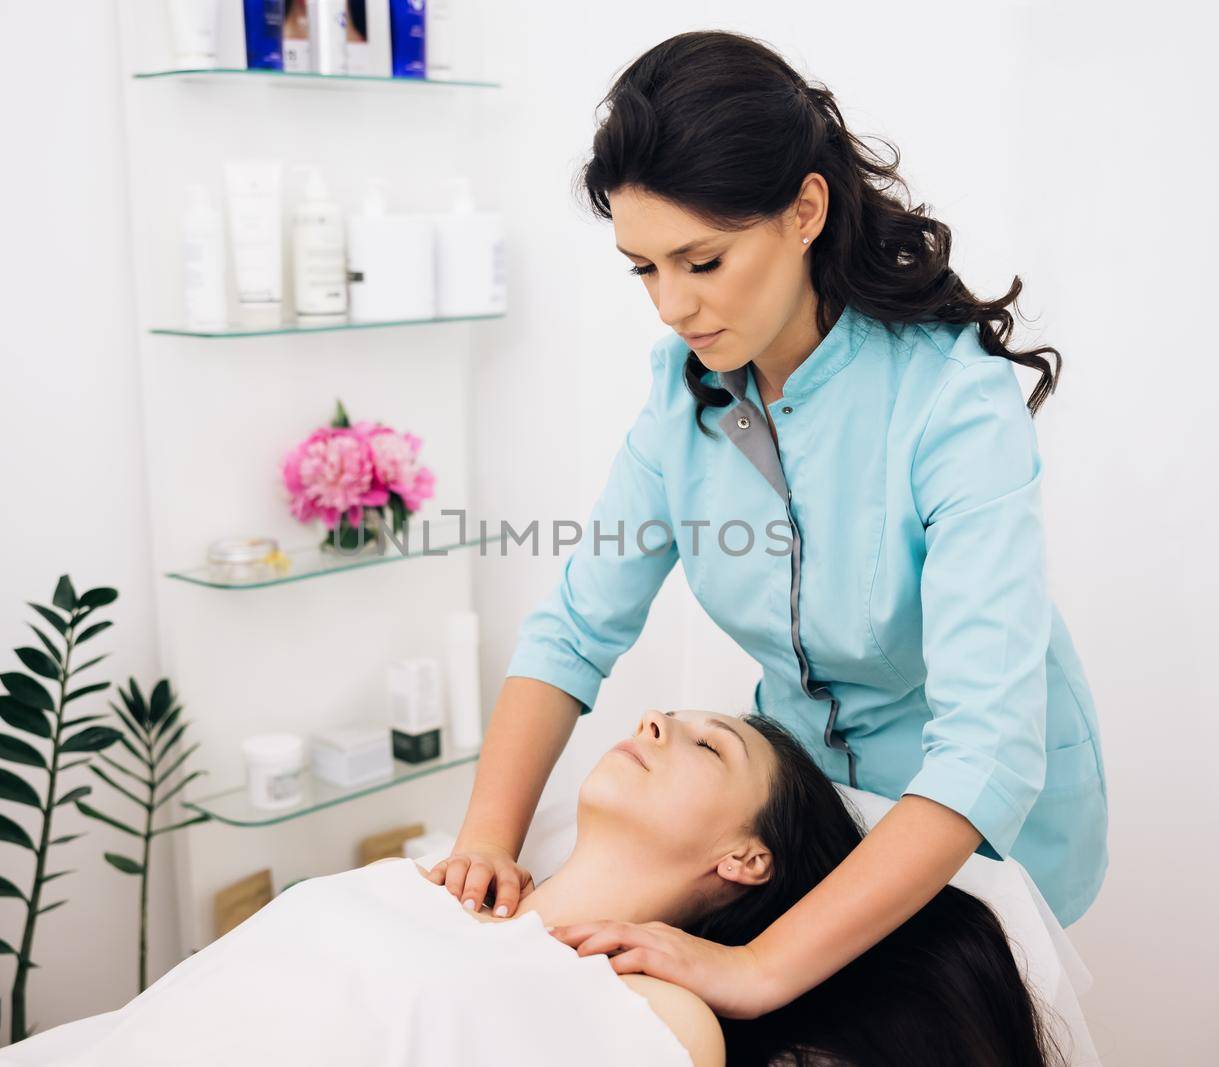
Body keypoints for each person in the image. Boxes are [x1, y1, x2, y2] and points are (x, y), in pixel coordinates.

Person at [430, 28, 1108, 1023]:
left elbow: (986, 751)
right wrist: (486, 839)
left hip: (968, 820)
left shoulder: (949, 402)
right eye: (643, 269)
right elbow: (574, 631)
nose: (671, 305)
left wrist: (758, 968)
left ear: (803, 210)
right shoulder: (688, 399)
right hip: (799, 810)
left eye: (701, 260)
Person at [0, 709, 1061, 1067]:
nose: (651, 721)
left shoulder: (663, 1005)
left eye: (704, 743)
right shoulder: (423, 879)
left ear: (747, 858)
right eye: (659, 713)